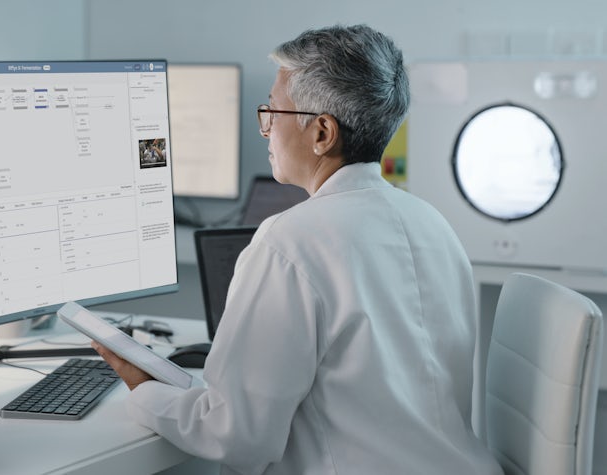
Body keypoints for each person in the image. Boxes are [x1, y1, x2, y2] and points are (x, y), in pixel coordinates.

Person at [93, 24, 503, 474]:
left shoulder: (290, 241)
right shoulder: (434, 224)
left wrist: (143, 389)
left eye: (273, 112)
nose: (266, 130)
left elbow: (235, 439)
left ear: (322, 133)